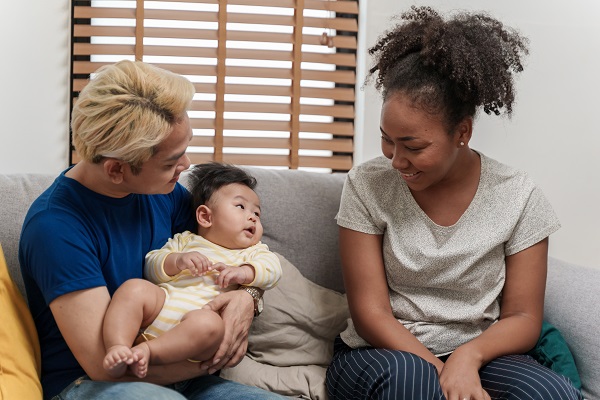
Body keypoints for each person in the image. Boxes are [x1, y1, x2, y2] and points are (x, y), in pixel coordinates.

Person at [325, 6, 582, 400]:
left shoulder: (518, 195)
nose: (395, 160)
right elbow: (371, 314)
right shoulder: (367, 185)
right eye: (387, 139)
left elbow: (524, 317)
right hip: (383, 352)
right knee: (413, 385)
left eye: (413, 146)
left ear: (462, 132)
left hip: (481, 352)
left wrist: (468, 359)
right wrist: (443, 373)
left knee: (548, 393)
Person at [19, 60, 285, 400]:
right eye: (172, 160)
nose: (186, 166)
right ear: (116, 169)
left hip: (183, 375)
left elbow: (232, 252)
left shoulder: (163, 193)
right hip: (92, 384)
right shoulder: (56, 228)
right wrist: (208, 357)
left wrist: (248, 297)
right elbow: (105, 365)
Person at [102, 162, 282, 379]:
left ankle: (146, 353)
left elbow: (272, 269)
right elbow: (152, 265)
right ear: (206, 217)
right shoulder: (185, 240)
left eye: (257, 213)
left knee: (209, 324)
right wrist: (177, 261)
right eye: (240, 207)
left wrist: (244, 273)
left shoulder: (252, 252)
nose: (252, 216)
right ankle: (117, 348)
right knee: (135, 289)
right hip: (160, 310)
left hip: (198, 332)